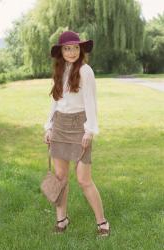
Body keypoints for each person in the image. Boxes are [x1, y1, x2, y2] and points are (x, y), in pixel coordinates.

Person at [43, 30, 110, 236]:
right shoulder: (60, 69)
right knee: (61, 177)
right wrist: (49, 126)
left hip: (80, 126)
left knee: (84, 179)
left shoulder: (85, 70)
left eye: (75, 48)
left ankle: (102, 222)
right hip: (60, 125)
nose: (71, 52)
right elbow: (56, 100)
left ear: (80, 49)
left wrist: (90, 130)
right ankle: (61, 220)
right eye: (67, 48)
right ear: (61, 51)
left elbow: (91, 102)